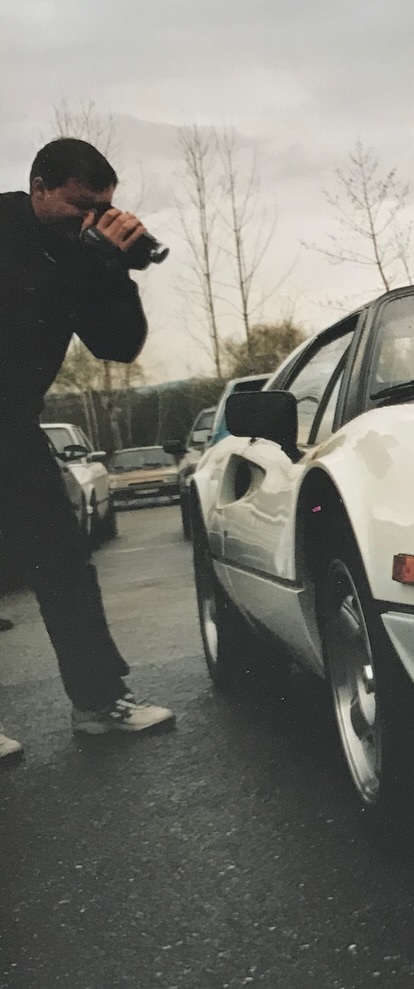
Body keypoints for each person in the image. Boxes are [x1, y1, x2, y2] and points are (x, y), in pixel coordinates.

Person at [0, 138, 176, 753]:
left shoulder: (81, 252)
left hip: (12, 425)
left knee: (63, 562)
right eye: (79, 206)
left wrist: (113, 268)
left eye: (102, 208)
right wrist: (86, 260)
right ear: (39, 189)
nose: (91, 219)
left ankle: (99, 704)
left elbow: (118, 346)